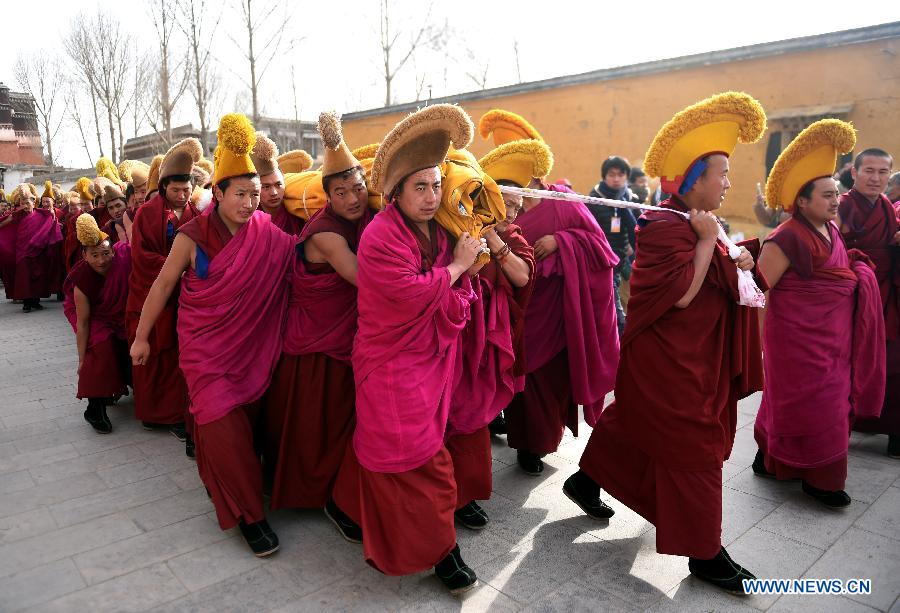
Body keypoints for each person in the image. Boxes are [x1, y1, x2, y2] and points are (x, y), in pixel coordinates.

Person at [565, 92, 767, 594]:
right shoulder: (663, 228)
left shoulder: (700, 224)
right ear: (693, 179)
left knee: (637, 425)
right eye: (720, 173)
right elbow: (679, 296)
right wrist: (705, 244)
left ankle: (586, 479)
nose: (727, 182)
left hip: (695, 357)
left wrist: (733, 256)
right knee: (692, 445)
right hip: (669, 361)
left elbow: (715, 272)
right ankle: (706, 553)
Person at [331, 104, 483, 594]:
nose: (431, 195)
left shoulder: (440, 230)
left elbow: (448, 293)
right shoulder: (379, 236)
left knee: (386, 448)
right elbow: (411, 292)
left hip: (430, 359)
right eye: (420, 186)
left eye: (436, 185)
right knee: (423, 459)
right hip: (391, 362)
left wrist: (467, 272)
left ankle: (343, 503)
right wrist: (458, 270)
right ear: (395, 192)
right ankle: (445, 553)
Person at [131, 113, 296, 556]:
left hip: (253, 349)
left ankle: (233, 485)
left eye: (256, 195)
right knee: (220, 424)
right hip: (206, 351)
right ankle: (249, 515)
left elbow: (296, 275)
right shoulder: (192, 235)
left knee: (245, 430)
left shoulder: (270, 235)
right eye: (240, 194)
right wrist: (142, 336)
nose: (249, 203)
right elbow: (163, 285)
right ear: (218, 192)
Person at [478, 109, 619, 476]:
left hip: (556, 309)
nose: (520, 200)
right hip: (514, 307)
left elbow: (602, 248)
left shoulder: (564, 203)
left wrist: (562, 240)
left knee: (547, 379)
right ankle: (519, 434)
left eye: (529, 181)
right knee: (513, 370)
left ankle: (535, 443)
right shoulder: (494, 209)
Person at [753, 119, 885, 508]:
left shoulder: (832, 230)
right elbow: (761, 290)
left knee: (817, 400)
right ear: (803, 200)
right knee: (812, 402)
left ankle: (770, 457)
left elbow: (839, 271)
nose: (835, 201)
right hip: (795, 340)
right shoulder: (787, 235)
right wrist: (758, 348)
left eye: (837, 194)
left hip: (835, 338)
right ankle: (822, 480)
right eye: (826, 195)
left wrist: (859, 271)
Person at [261, 112, 373, 535]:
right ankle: (320, 494)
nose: (353, 198)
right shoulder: (326, 232)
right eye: (341, 192)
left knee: (343, 423)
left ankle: (340, 490)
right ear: (328, 196)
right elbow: (362, 277)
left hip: (349, 338)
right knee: (319, 426)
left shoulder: (363, 220)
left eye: (359, 188)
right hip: (317, 344)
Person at [442, 146, 535, 529]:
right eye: (504, 202)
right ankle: (444, 493)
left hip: (487, 336)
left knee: (473, 410)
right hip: (455, 331)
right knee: (448, 409)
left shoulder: (512, 235)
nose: (511, 212)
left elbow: (523, 277)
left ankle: (465, 493)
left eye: (516, 206)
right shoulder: (455, 227)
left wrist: (495, 237)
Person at [127, 138, 202, 452]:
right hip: (149, 292)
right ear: (163, 187)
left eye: (186, 190)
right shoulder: (147, 213)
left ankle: (174, 415)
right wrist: (175, 267)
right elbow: (142, 256)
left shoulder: (194, 212)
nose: (182, 196)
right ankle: (151, 413)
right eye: (176, 190)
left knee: (174, 358)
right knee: (152, 355)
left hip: (182, 297)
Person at [837, 147, 899, 458]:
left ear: (890, 174)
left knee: (892, 359)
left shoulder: (888, 207)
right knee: (851, 358)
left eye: (883, 172)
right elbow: (832, 246)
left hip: (886, 291)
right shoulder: (842, 205)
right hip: (853, 291)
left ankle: (889, 425)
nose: (876, 178)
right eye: (869, 171)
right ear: (854, 172)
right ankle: (844, 422)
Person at [63, 213, 132, 434]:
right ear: (84, 255)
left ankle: (114, 386)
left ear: (113, 250)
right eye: (94, 255)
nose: (101, 260)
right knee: (100, 345)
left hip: (117, 313)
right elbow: (83, 323)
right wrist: (83, 358)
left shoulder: (122, 260)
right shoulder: (81, 279)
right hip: (88, 315)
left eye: (105, 253)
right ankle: (95, 408)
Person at [586, 155, 638, 337]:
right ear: (604, 176)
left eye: (621, 175)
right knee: (615, 316)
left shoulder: (631, 199)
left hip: (626, 261)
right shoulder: (593, 200)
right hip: (602, 264)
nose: (616, 179)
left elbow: (639, 230)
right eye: (612, 174)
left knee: (632, 305)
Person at [0, 183, 63, 312]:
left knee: (38, 276)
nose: (25, 206)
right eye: (22, 203)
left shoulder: (41, 214)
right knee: (24, 276)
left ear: (34, 203)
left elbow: (52, 219)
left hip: (37, 250)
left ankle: (35, 301)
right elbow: (7, 221)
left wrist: (54, 218)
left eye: (27, 203)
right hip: (22, 250)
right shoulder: (18, 214)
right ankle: (26, 303)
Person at [249, 135, 306, 236]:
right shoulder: (248, 216)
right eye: (266, 187)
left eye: (278, 185)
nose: (274, 193)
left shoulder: (297, 211)